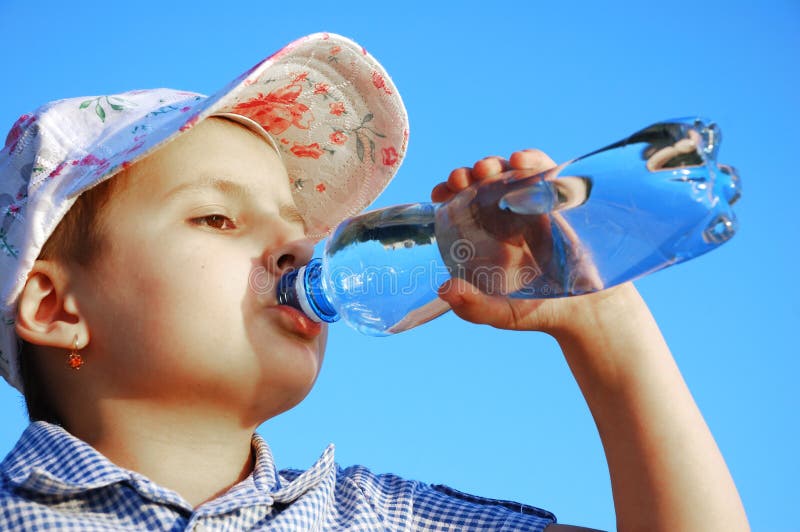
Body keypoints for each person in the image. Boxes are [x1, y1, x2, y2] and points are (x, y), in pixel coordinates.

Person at [0, 32, 748, 531]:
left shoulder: (380, 517)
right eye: (219, 220)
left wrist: (606, 325)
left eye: (298, 221)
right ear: (57, 306)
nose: (296, 242)